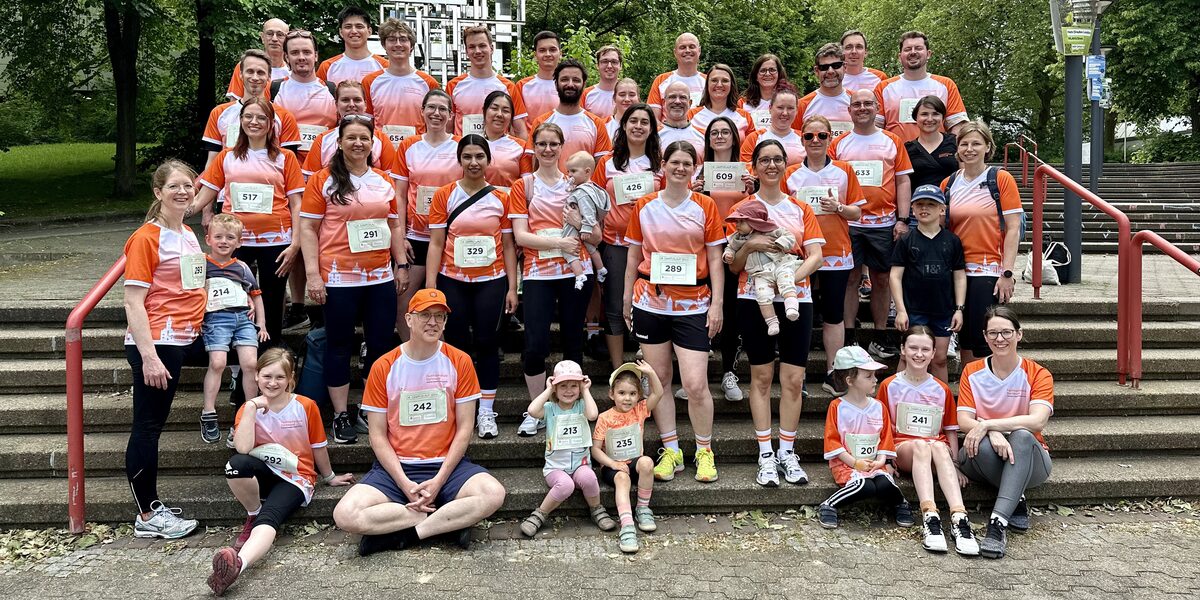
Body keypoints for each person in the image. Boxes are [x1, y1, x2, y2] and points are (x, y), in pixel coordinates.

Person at [332, 289, 507, 555]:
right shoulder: (384, 366)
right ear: (408, 319)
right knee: (345, 514)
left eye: (439, 316)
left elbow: (464, 429)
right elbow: (377, 435)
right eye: (425, 315)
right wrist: (404, 484)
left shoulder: (459, 361)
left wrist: (438, 481)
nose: (433, 322)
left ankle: (409, 534)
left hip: (446, 466)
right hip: (397, 467)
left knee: (493, 493)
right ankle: (444, 521)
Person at [206, 348, 355, 596]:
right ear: (256, 376)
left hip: (295, 478)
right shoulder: (247, 408)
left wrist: (329, 477)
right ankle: (253, 512)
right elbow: (242, 448)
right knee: (235, 465)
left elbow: (318, 447)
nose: (272, 383)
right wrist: (252, 406)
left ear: (290, 379)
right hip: (261, 473)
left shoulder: (305, 406)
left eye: (279, 377)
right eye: (266, 376)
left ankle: (237, 565)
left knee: (271, 517)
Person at [298, 114, 408, 445]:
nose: (358, 143)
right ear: (340, 142)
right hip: (338, 278)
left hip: (377, 277)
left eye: (364, 138)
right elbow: (307, 229)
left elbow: (395, 226)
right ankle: (341, 413)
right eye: (351, 138)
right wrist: (314, 276)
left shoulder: (383, 180)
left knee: (379, 345)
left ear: (372, 143)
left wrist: (400, 264)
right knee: (339, 346)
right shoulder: (322, 180)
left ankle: (368, 408)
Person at [623, 141, 726, 483]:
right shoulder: (644, 205)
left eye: (687, 163)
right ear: (663, 165)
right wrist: (626, 299)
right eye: (675, 162)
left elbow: (714, 259)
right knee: (660, 380)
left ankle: (704, 451)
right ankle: (671, 450)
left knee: (696, 384)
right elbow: (633, 256)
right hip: (650, 301)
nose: (680, 168)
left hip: (694, 304)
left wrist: (718, 304)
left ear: (695, 168)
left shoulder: (705, 206)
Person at [728, 140, 824, 487]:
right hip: (753, 300)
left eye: (777, 160)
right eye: (764, 160)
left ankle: (788, 450)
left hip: (796, 298)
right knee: (762, 378)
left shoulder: (800, 208)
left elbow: (815, 256)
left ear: (786, 165)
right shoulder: (742, 209)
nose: (771, 165)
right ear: (754, 166)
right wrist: (751, 246)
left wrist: (786, 280)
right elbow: (733, 264)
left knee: (794, 379)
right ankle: (765, 452)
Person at [122, 160, 206, 539]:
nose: (183, 192)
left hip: (187, 337)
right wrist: (149, 356)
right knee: (148, 427)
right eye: (174, 186)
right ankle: (147, 514)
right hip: (158, 341)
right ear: (158, 192)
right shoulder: (147, 237)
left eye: (188, 185)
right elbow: (133, 302)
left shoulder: (188, 232)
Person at [194, 96, 305, 350]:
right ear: (241, 120)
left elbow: (297, 203)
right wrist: (176, 210)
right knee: (235, 297)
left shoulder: (286, 158)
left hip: (276, 241)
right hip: (235, 242)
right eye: (248, 117)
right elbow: (205, 196)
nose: (254, 122)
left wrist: (296, 243)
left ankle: (270, 354)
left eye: (261, 118)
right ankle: (238, 358)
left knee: (273, 298)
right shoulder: (226, 157)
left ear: (271, 123)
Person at [426, 134, 518, 439]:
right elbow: (436, 242)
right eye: (468, 156)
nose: (474, 162)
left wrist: (512, 287)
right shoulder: (444, 195)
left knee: (488, 344)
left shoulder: (501, 198)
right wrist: (430, 288)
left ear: (488, 160)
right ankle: (458, 407)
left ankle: (486, 410)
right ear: (459, 160)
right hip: (453, 280)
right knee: (454, 347)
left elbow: (507, 245)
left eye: (480, 156)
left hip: (491, 282)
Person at [510, 123, 596, 435]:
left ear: (562, 147)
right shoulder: (525, 185)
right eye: (542, 144)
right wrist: (559, 243)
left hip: (576, 272)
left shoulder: (576, 183)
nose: (548, 150)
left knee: (574, 342)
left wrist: (580, 223)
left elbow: (595, 234)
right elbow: (521, 235)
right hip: (538, 272)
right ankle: (538, 410)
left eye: (553, 144)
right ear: (534, 147)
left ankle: (571, 411)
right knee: (535, 344)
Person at [957, 306, 1054, 559]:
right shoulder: (972, 371)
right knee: (978, 443)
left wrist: (989, 425)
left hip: (1032, 461)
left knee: (1022, 436)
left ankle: (996, 525)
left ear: (1019, 335)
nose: (1000, 339)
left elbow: (1037, 422)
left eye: (1006, 332)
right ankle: (1015, 498)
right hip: (983, 457)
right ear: (985, 337)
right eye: (993, 333)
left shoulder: (1038, 373)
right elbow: (963, 420)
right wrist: (989, 434)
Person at [877, 327, 979, 556]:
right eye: (913, 347)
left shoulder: (941, 389)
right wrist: (886, 461)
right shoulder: (889, 386)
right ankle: (930, 518)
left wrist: (956, 465)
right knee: (923, 445)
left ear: (934, 353)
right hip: (904, 448)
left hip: (937, 452)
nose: (919, 354)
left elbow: (950, 431)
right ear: (903, 350)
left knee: (938, 446)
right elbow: (881, 428)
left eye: (925, 349)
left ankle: (959, 519)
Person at [783, 115, 866, 395]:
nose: (815, 141)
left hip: (835, 251)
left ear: (831, 138)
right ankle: (798, 373)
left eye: (821, 136)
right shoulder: (790, 173)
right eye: (809, 136)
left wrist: (839, 207)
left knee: (833, 314)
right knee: (798, 314)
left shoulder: (844, 170)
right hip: (800, 253)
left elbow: (858, 211)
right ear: (802, 140)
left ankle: (833, 372)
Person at [828, 89, 913, 359]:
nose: (862, 108)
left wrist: (902, 218)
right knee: (850, 278)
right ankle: (850, 335)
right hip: (849, 222)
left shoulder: (892, 141)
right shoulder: (838, 143)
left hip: (884, 223)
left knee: (881, 278)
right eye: (857, 104)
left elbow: (902, 180)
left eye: (868, 104)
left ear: (877, 108)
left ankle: (880, 335)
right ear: (849, 110)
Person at [940, 120, 1022, 364]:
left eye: (976, 143)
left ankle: (989, 391)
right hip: (956, 270)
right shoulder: (949, 183)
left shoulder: (1000, 179)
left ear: (988, 146)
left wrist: (1007, 273)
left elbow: (1014, 228)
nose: (969, 149)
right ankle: (969, 390)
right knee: (964, 337)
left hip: (987, 269)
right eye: (964, 143)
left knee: (983, 339)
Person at [683, 116, 750, 405]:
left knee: (732, 312)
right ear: (708, 139)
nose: (720, 136)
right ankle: (696, 377)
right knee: (702, 310)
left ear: (735, 137)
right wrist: (692, 192)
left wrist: (753, 190)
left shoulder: (745, 172)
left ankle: (728, 373)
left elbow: (758, 209)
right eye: (715, 132)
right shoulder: (696, 172)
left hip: (736, 248)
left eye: (725, 132)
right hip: (704, 250)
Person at [593, 103, 662, 369]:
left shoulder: (660, 164)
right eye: (633, 121)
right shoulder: (607, 164)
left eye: (645, 122)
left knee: (651, 303)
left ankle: (650, 368)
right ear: (623, 126)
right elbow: (595, 201)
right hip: (616, 244)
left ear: (652, 129)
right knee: (613, 305)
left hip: (651, 247)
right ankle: (619, 370)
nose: (638, 126)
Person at [392, 89, 463, 341]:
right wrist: (400, 237)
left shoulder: (460, 145)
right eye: (431, 107)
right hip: (417, 237)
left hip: (451, 239)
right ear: (422, 111)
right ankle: (412, 352)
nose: (436, 113)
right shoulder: (409, 146)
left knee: (446, 304)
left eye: (443, 109)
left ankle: (444, 358)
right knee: (404, 304)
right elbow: (399, 194)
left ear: (451, 115)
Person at [817, 345, 914, 529]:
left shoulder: (879, 407)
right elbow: (833, 442)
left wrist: (882, 460)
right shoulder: (837, 407)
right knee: (865, 486)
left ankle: (901, 503)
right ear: (850, 380)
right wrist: (855, 463)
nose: (875, 380)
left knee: (885, 484)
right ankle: (829, 504)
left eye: (874, 375)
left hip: (873, 462)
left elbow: (885, 438)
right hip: (846, 464)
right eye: (868, 376)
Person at [519, 360, 615, 537]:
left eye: (574, 386)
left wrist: (586, 390)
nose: (569, 390)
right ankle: (540, 514)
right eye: (563, 386)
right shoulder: (549, 408)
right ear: (555, 387)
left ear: (580, 387)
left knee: (589, 477)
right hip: (555, 467)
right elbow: (532, 410)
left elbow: (593, 415)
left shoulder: (581, 406)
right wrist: (548, 389)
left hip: (581, 464)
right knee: (565, 485)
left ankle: (597, 509)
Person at [200, 215, 267, 445]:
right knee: (217, 363)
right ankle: (208, 412)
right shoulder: (202, 264)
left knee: (250, 364)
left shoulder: (242, 267)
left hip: (242, 318)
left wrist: (262, 323)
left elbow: (256, 295)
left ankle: (251, 411)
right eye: (218, 237)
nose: (224, 241)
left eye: (230, 238)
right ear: (208, 239)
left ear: (239, 242)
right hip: (216, 318)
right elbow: (192, 292)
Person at [888, 185, 965, 382]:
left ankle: (941, 404)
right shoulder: (906, 240)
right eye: (920, 204)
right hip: (914, 310)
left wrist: (959, 309)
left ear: (942, 209)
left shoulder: (952, 241)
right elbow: (895, 276)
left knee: (939, 359)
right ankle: (898, 399)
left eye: (931, 204)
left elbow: (959, 276)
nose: (925, 208)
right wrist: (901, 310)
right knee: (907, 357)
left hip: (943, 310)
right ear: (912, 208)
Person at [592, 361, 665, 553]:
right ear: (611, 394)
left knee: (648, 462)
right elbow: (595, 450)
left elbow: (658, 393)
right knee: (623, 478)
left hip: (634, 462)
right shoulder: (605, 417)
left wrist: (651, 373)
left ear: (639, 396)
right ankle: (627, 525)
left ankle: (642, 509)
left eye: (633, 394)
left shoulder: (639, 410)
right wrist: (612, 463)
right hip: (612, 467)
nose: (627, 398)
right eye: (622, 393)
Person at [203, 50, 302, 167]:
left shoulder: (285, 117)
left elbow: (289, 165)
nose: (255, 77)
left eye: (260, 73)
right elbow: (212, 161)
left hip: (269, 182)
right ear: (240, 74)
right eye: (250, 71)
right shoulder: (219, 113)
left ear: (269, 77)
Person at [520, 58, 612, 172]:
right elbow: (534, 165)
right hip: (549, 189)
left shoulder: (597, 124)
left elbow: (601, 167)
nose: (570, 84)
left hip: (583, 189)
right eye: (564, 79)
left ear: (584, 84)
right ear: (556, 83)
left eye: (576, 80)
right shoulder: (541, 123)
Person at [874, 31, 968, 142]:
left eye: (918, 48)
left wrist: (951, 152)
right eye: (907, 49)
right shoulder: (883, 87)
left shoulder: (946, 85)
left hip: (935, 156)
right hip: (897, 155)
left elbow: (957, 125)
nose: (913, 52)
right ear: (899, 56)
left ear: (928, 54)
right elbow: (875, 127)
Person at [723, 202, 801, 335]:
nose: (737, 225)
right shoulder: (737, 238)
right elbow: (730, 248)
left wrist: (780, 243)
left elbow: (789, 237)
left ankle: (792, 307)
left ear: (755, 223)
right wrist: (728, 255)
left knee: (786, 283)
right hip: (760, 273)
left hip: (780, 264)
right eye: (737, 222)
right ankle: (772, 322)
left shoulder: (771, 231)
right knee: (762, 295)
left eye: (741, 222)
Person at [363, 18, 441, 147]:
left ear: (411, 46)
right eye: (392, 39)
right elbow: (367, 121)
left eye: (403, 39)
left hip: (418, 149)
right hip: (382, 150)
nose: (398, 44)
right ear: (384, 45)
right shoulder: (370, 82)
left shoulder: (428, 83)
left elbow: (435, 123)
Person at [302, 82, 398, 179]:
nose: (351, 105)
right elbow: (312, 180)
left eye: (357, 100)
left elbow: (391, 180)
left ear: (365, 104)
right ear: (336, 104)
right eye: (345, 100)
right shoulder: (323, 139)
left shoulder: (381, 140)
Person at [447, 25, 527, 138]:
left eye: (482, 46)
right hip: (464, 153)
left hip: (498, 153)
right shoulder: (453, 86)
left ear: (491, 48)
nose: (477, 51)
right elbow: (447, 129)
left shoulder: (508, 87)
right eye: (472, 47)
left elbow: (520, 131)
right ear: (466, 51)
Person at [272, 30, 337, 161]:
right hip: (285, 165)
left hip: (324, 166)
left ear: (316, 56)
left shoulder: (331, 90)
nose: (301, 57)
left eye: (307, 52)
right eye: (295, 53)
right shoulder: (274, 89)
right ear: (286, 57)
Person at [562, 152, 611, 289]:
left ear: (587, 171)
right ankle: (601, 269)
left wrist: (586, 228)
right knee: (592, 248)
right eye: (568, 171)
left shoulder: (582, 192)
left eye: (573, 171)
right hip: (584, 226)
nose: (570, 175)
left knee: (568, 250)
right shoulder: (593, 189)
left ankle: (579, 275)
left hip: (577, 226)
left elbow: (588, 212)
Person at [316, 6, 388, 85]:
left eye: (359, 26)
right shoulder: (327, 67)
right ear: (341, 32)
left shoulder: (385, 66)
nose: (354, 31)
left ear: (369, 31)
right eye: (348, 27)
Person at [795, 44, 853, 139]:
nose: (830, 71)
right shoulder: (802, 105)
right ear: (816, 71)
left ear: (845, 67)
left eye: (836, 66)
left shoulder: (856, 102)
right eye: (824, 67)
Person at [740, 85, 805, 167]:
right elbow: (745, 171)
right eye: (780, 107)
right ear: (770, 108)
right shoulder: (754, 138)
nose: (785, 113)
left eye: (790, 108)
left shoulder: (805, 138)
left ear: (796, 111)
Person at [226, 18, 291, 100]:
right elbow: (234, 104)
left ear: (287, 39)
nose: (274, 39)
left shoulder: (294, 70)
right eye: (269, 34)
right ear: (262, 37)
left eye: (280, 35)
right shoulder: (245, 66)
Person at [904, 96, 959, 190]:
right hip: (918, 203)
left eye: (935, 114)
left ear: (943, 118)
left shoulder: (956, 142)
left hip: (950, 202)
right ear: (915, 118)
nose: (930, 119)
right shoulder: (906, 149)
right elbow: (902, 183)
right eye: (924, 114)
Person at [646, 33, 706, 117]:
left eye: (692, 47)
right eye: (682, 47)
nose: (687, 50)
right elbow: (653, 120)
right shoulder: (661, 80)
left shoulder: (709, 82)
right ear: (675, 52)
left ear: (699, 51)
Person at [687, 64, 753, 138]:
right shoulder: (691, 115)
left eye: (725, 81)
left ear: (732, 85)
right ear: (707, 84)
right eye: (714, 80)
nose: (719, 85)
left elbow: (752, 146)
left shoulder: (744, 116)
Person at [513, 31, 563, 126]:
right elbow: (518, 123)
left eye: (552, 50)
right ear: (535, 56)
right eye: (542, 50)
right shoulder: (522, 86)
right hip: (531, 139)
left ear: (560, 54)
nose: (548, 54)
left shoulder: (569, 85)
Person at [479, 90, 525, 189]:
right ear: (484, 111)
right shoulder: (470, 143)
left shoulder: (521, 147)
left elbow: (527, 184)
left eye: (506, 111)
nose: (499, 114)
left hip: (508, 202)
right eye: (494, 108)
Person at [740, 54, 789, 130]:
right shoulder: (742, 104)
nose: (767, 74)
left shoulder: (790, 103)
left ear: (779, 74)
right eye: (763, 71)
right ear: (756, 76)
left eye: (772, 70)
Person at [657, 82, 705, 156]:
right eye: (672, 97)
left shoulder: (704, 135)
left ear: (690, 103)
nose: (677, 101)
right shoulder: (652, 135)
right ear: (664, 102)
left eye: (682, 97)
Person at [582, 45, 624, 118]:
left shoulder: (629, 95)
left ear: (620, 66)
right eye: (605, 61)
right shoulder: (585, 94)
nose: (609, 66)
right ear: (597, 65)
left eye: (614, 62)